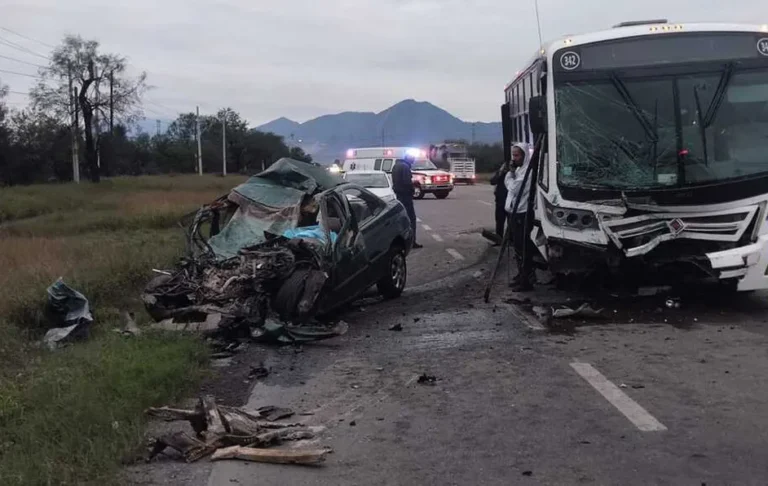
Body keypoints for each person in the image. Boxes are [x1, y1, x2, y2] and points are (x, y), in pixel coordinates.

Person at [505, 143, 536, 291]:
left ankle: (527, 279)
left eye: (517, 155)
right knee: (517, 247)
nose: (514, 158)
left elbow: (514, 188)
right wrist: (511, 175)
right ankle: (521, 274)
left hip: (522, 213)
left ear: (524, 156)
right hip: (514, 212)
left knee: (523, 247)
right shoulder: (518, 170)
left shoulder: (527, 172)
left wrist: (510, 176)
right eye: (513, 155)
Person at [391, 153, 423, 249]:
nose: (414, 160)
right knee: (411, 219)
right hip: (405, 196)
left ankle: (402, 242)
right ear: (409, 158)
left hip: (399, 195)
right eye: (413, 158)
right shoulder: (405, 167)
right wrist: (413, 188)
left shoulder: (396, 166)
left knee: (402, 219)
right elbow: (406, 182)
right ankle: (412, 241)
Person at [489, 159, 510, 243]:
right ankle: (498, 239)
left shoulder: (515, 173)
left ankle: (510, 240)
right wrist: (500, 172)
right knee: (499, 221)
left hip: (510, 200)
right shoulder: (501, 173)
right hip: (500, 200)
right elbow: (492, 181)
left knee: (511, 222)